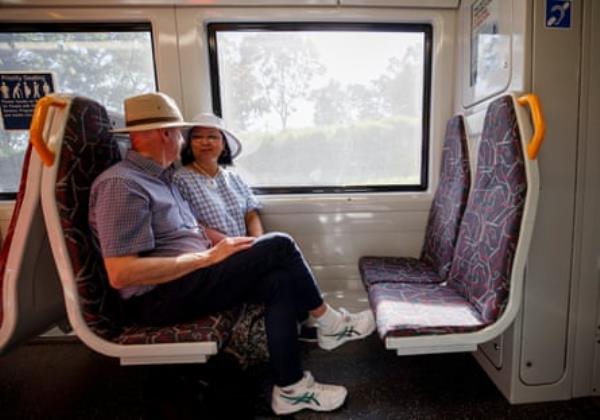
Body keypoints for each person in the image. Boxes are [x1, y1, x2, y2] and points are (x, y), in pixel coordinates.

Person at [89, 92, 375, 415]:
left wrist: (221, 251)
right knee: (280, 244)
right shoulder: (122, 185)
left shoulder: (162, 180)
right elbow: (122, 273)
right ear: (163, 134)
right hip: (159, 297)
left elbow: (190, 232)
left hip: (190, 277)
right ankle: (329, 322)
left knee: (279, 280)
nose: (184, 140)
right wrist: (210, 258)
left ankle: (291, 388)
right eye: (182, 133)